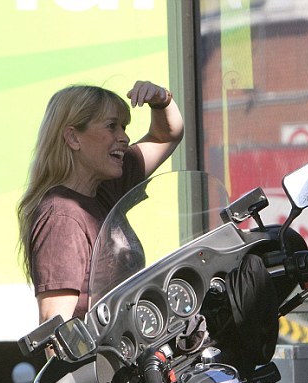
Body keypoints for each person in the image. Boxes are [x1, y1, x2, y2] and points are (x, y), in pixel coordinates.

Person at [17, 80, 184, 327]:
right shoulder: (61, 215)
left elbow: (165, 136)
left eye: (124, 127)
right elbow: (55, 330)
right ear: (73, 137)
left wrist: (162, 101)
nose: (125, 137)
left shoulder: (104, 187)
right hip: (102, 364)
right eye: (111, 127)